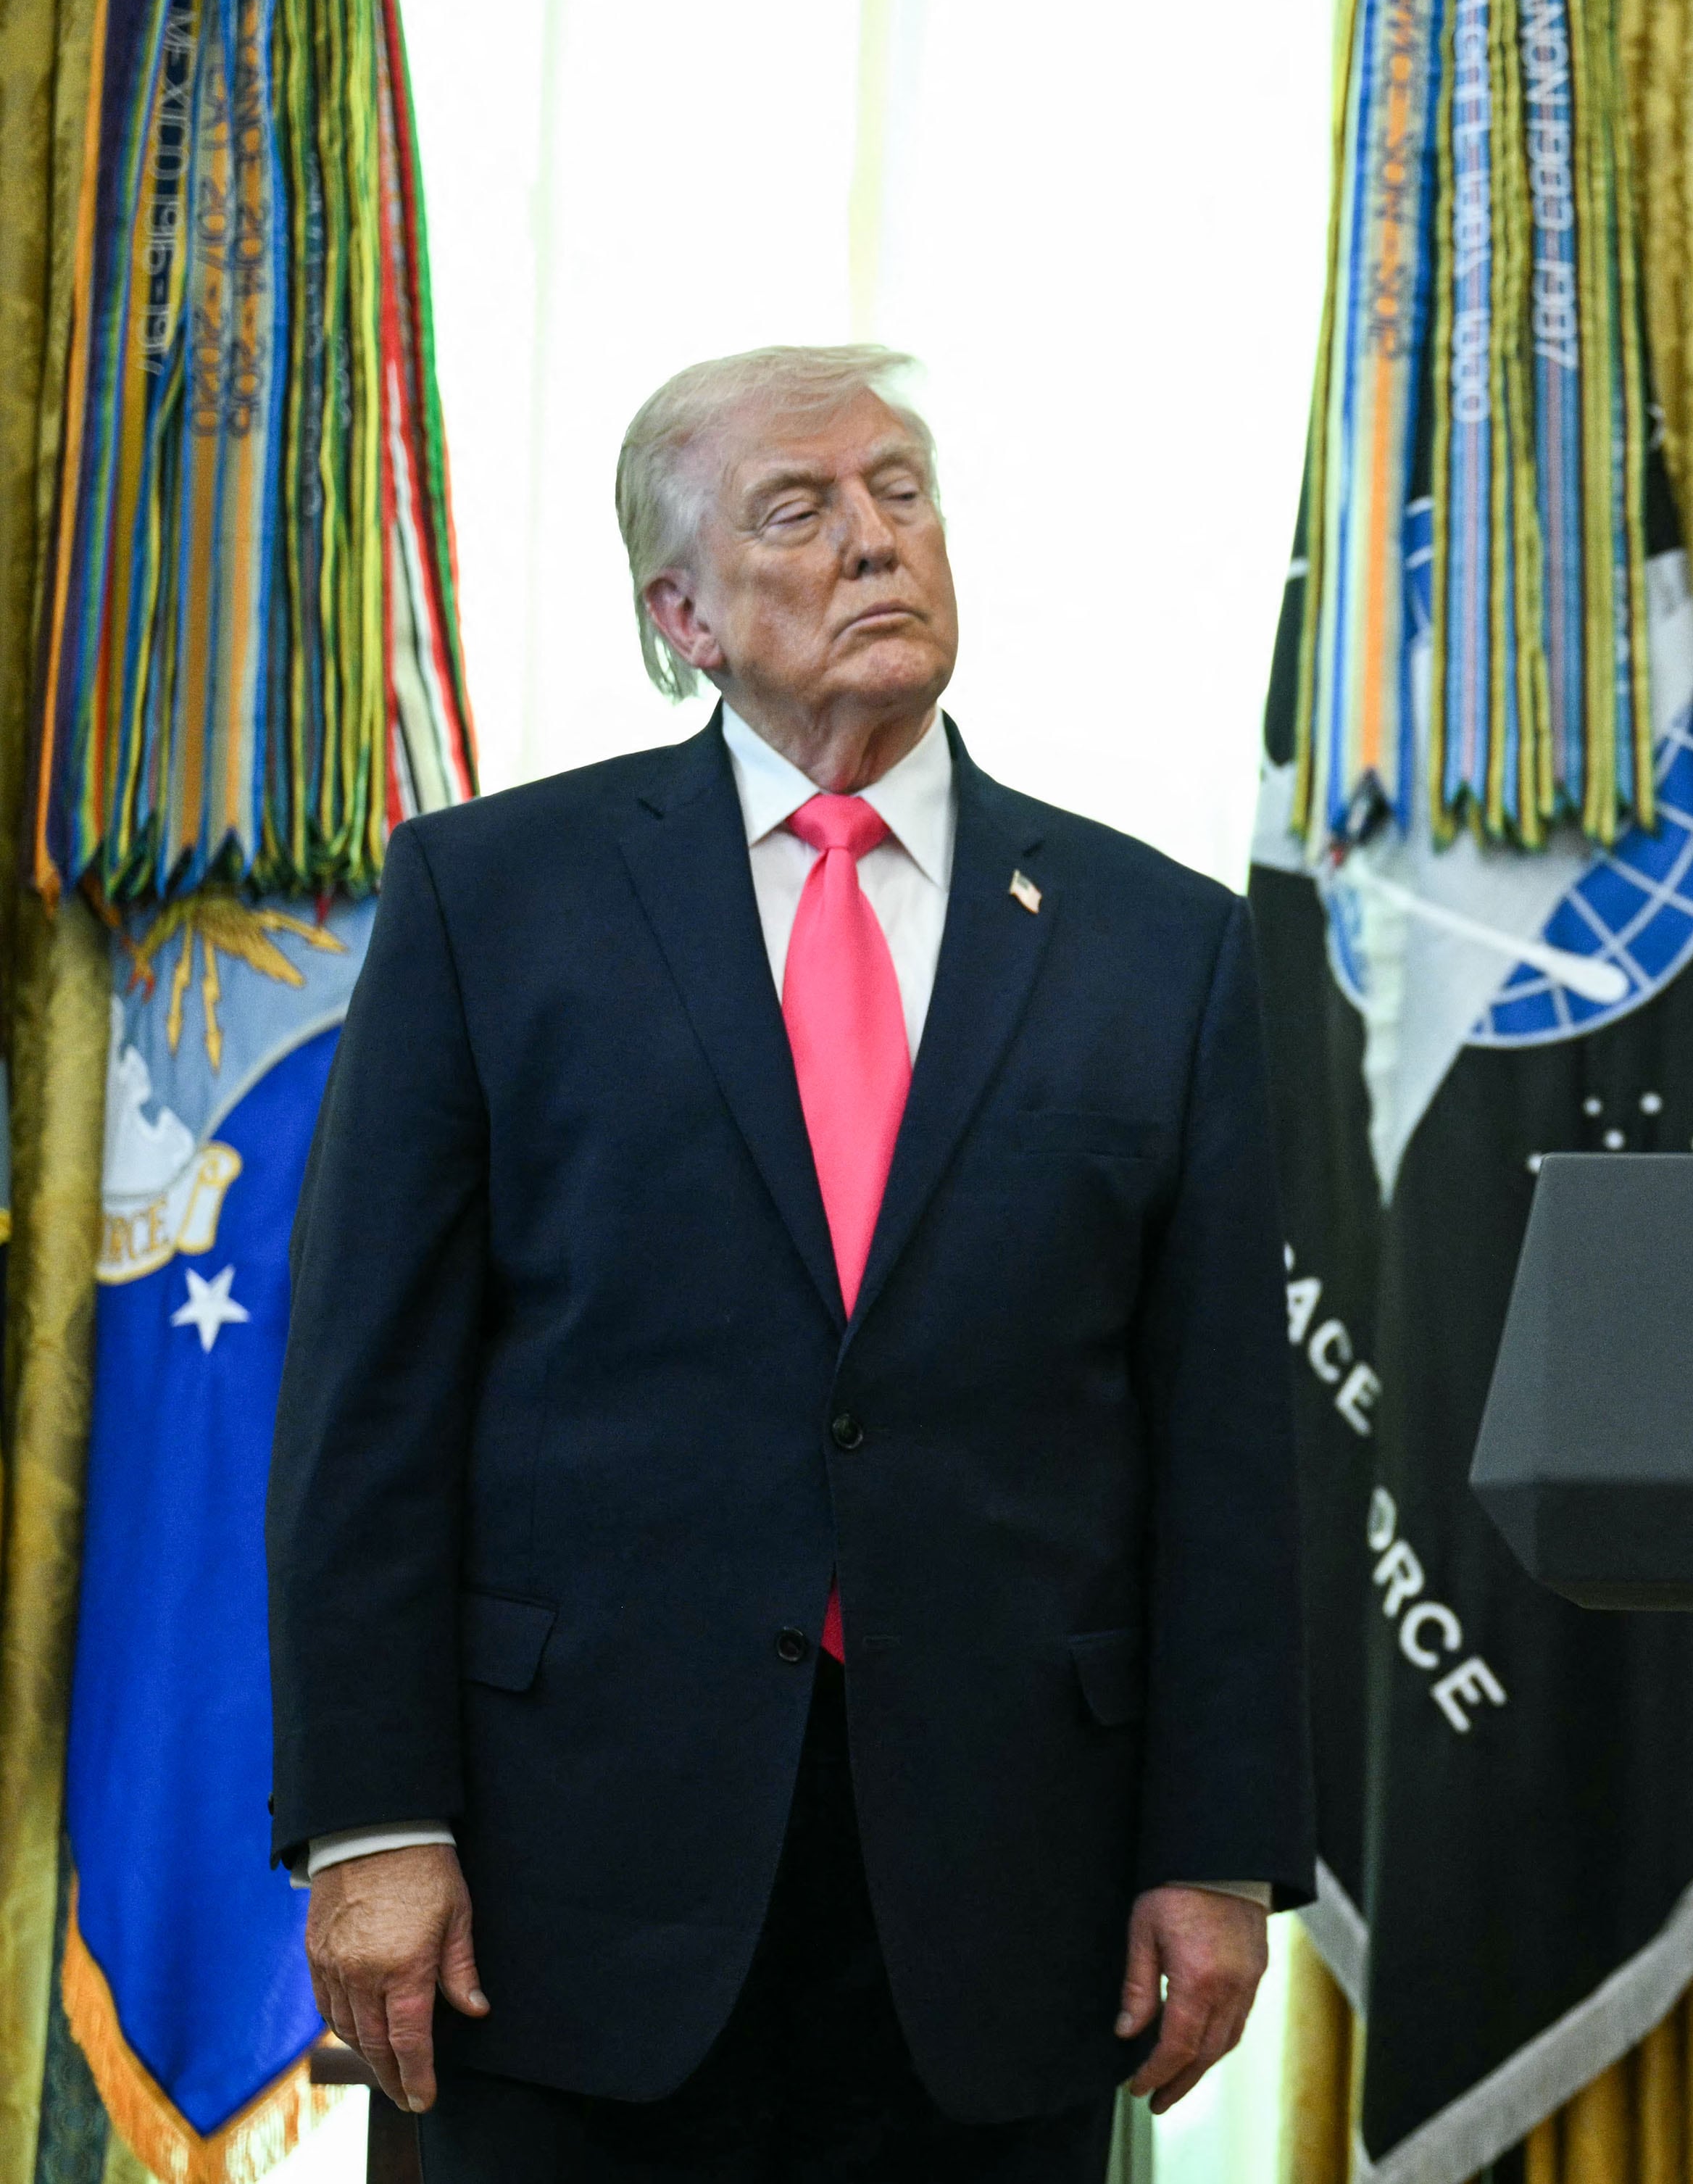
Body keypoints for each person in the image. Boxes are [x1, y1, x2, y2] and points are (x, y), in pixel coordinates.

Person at [268, 346, 1310, 2181]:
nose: (872, 541)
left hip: (1001, 1894)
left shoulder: (1166, 948)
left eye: (900, 492)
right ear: (677, 611)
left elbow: (1223, 1439)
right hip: (557, 1889)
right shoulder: (489, 903)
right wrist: (367, 1819)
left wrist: (1215, 1849)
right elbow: (367, 1404)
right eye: (799, 510)